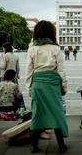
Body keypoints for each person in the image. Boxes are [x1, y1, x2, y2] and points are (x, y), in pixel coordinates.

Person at [26, 20, 68, 154]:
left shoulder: (32, 48)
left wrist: (29, 87)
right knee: (57, 113)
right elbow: (61, 71)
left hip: (37, 84)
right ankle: (61, 146)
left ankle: (34, 146)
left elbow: (29, 70)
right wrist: (64, 87)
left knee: (37, 113)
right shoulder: (56, 49)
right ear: (51, 33)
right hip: (53, 84)